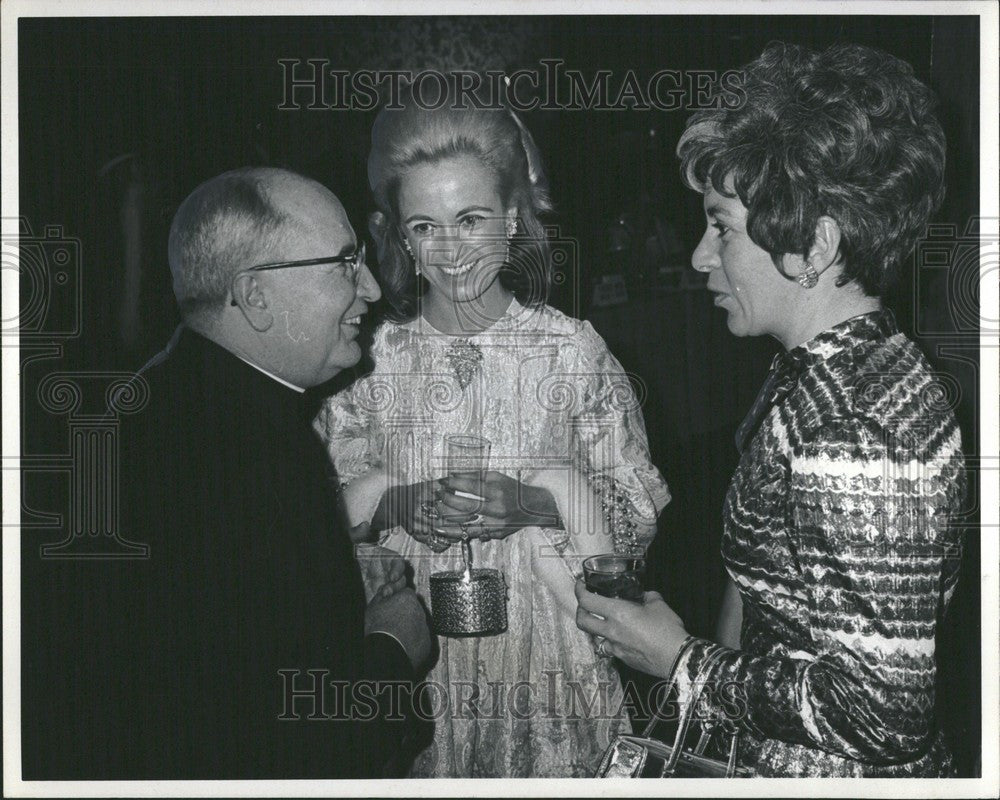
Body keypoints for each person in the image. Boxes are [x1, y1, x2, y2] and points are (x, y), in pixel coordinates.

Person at [575, 42, 966, 777]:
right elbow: (762, 594)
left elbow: (884, 717)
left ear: (812, 243)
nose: (698, 256)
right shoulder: (825, 370)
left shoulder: (855, 430)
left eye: (720, 225)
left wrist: (680, 660)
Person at [21, 167, 431, 778]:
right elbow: (285, 743)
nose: (371, 287)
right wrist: (394, 646)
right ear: (255, 296)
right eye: (345, 262)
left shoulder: (169, 406)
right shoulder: (242, 453)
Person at [314, 88, 670, 777]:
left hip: (553, 670)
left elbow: (635, 515)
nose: (449, 251)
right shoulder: (365, 360)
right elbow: (315, 525)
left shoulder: (573, 351)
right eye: (423, 226)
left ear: (513, 217)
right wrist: (394, 505)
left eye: (470, 218)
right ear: (399, 234)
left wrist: (532, 504)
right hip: (416, 662)